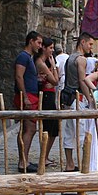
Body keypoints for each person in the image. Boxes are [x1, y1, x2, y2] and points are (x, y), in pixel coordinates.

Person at [61, 32, 98, 171]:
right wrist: (90, 97)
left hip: (70, 99)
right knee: (81, 132)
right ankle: (83, 163)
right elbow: (82, 80)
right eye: (90, 44)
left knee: (70, 132)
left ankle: (70, 164)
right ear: (82, 42)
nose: (91, 47)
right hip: (77, 99)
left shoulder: (70, 57)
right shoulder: (81, 59)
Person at [14, 31, 43, 173]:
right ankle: (22, 161)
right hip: (27, 96)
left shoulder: (29, 58)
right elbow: (19, 76)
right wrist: (24, 96)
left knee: (27, 128)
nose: (40, 46)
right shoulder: (23, 57)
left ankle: (24, 159)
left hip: (31, 94)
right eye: (38, 42)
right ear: (31, 41)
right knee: (30, 128)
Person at [34, 38, 61, 167]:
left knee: (53, 128)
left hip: (50, 94)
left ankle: (45, 156)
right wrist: (53, 69)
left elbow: (57, 78)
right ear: (44, 48)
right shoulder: (41, 63)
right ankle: (43, 157)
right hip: (45, 96)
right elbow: (55, 81)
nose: (52, 50)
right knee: (48, 128)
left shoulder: (48, 62)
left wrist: (54, 68)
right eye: (50, 48)